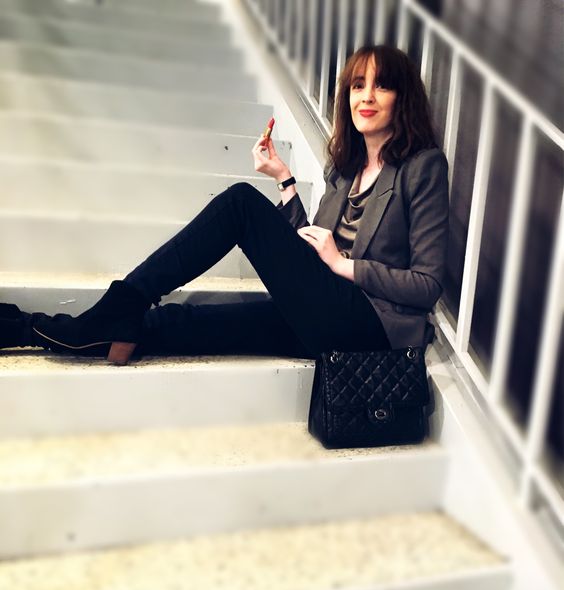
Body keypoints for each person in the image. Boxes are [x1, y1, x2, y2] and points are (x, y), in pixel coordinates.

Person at [0, 45, 449, 365]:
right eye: (357, 85)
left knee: (240, 203)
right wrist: (285, 181)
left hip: (371, 328)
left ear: (402, 98)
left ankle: (121, 302)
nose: (366, 97)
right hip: (322, 314)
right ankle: (29, 328)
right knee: (179, 322)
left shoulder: (422, 167)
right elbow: (308, 250)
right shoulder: (345, 169)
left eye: (381, 86)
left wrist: (344, 265)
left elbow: (426, 284)